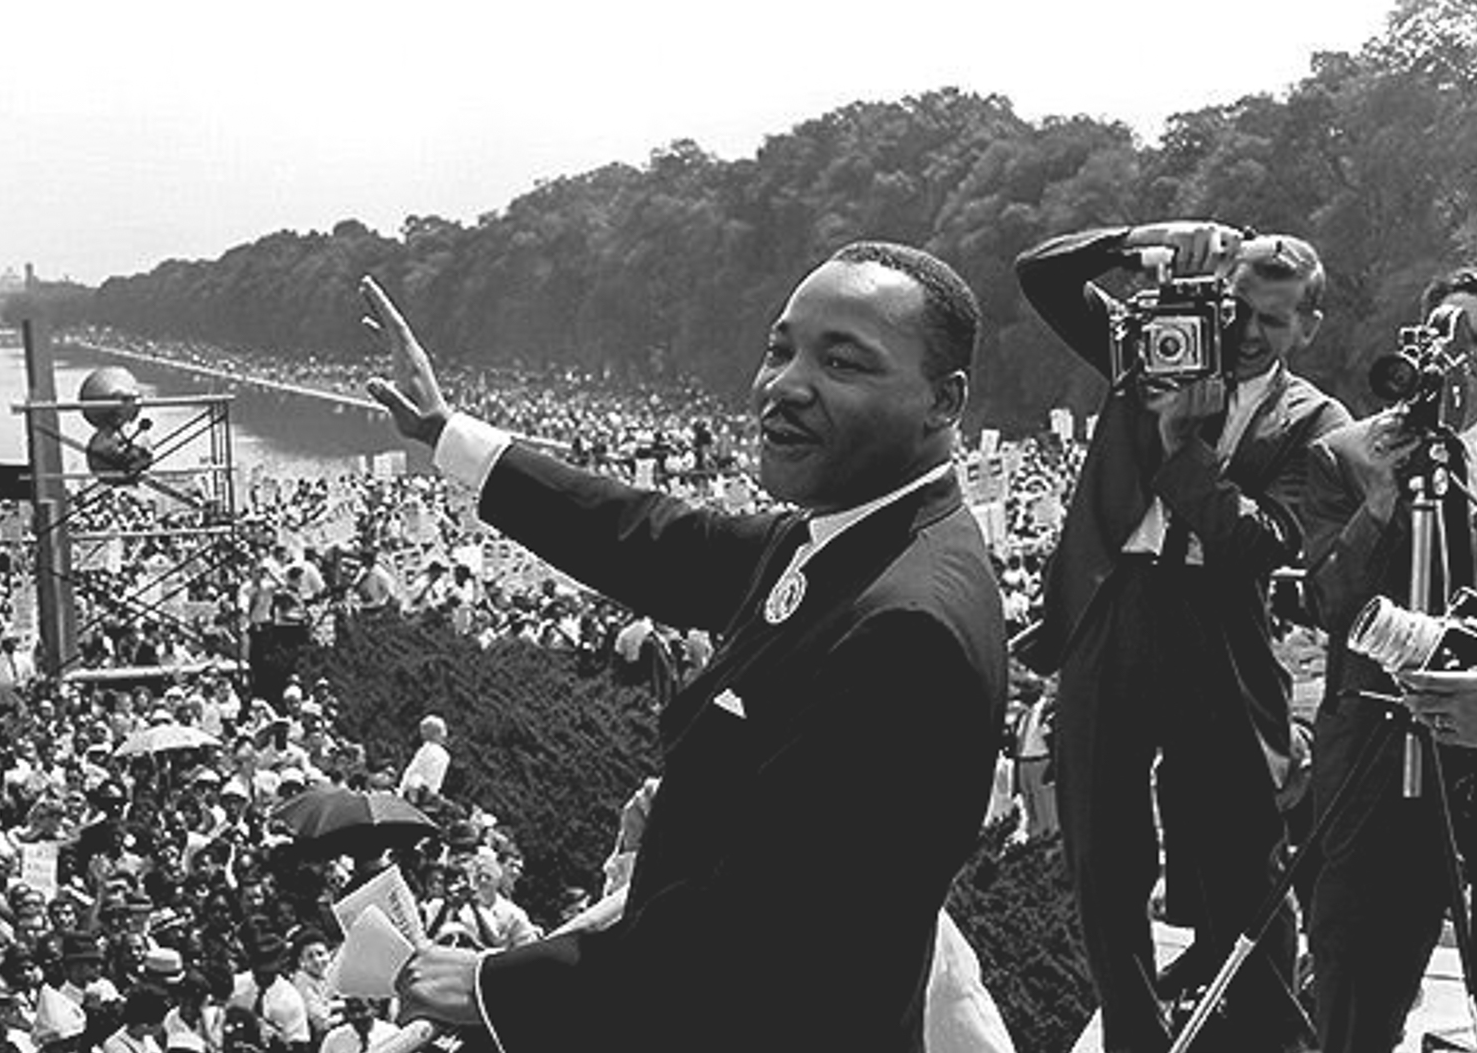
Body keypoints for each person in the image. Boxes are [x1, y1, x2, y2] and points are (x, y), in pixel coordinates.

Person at [364, 240, 1006, 1051]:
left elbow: (760, 929)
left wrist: (492, 985)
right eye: (780, 350)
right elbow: (653, 540)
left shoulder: (905, 626)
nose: (786, 385)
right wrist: (448, 435)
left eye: (842, 362)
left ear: (943, 401)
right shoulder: (848, 537)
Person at [1014, 221, 1348, 1052]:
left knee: (1246, 853)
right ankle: (1135, 1034)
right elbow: (1041, 275)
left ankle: (1272, 1034)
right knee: (1104, 853)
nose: (1247, 332)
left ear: (1308, 327)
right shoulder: (1149, 350)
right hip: (1112, 606)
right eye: (1237, 309)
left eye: (1272, 319)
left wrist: (1178, 448)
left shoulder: (1317, 421)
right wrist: (1141, 239)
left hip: (1219, 627)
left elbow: (1258, 544)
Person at [1298, 266, 1477, 1053]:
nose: (1462, 358)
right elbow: (1328, 605)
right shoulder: (1346, 454)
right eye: (1447, 335)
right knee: (1358, 983)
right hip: (1379, 763)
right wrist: (1380, 505)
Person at [396, 717, 449, 802]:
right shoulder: (440, 754)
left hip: (416, 792)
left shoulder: (428, 750)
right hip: (422, 794)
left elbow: (414, 774)